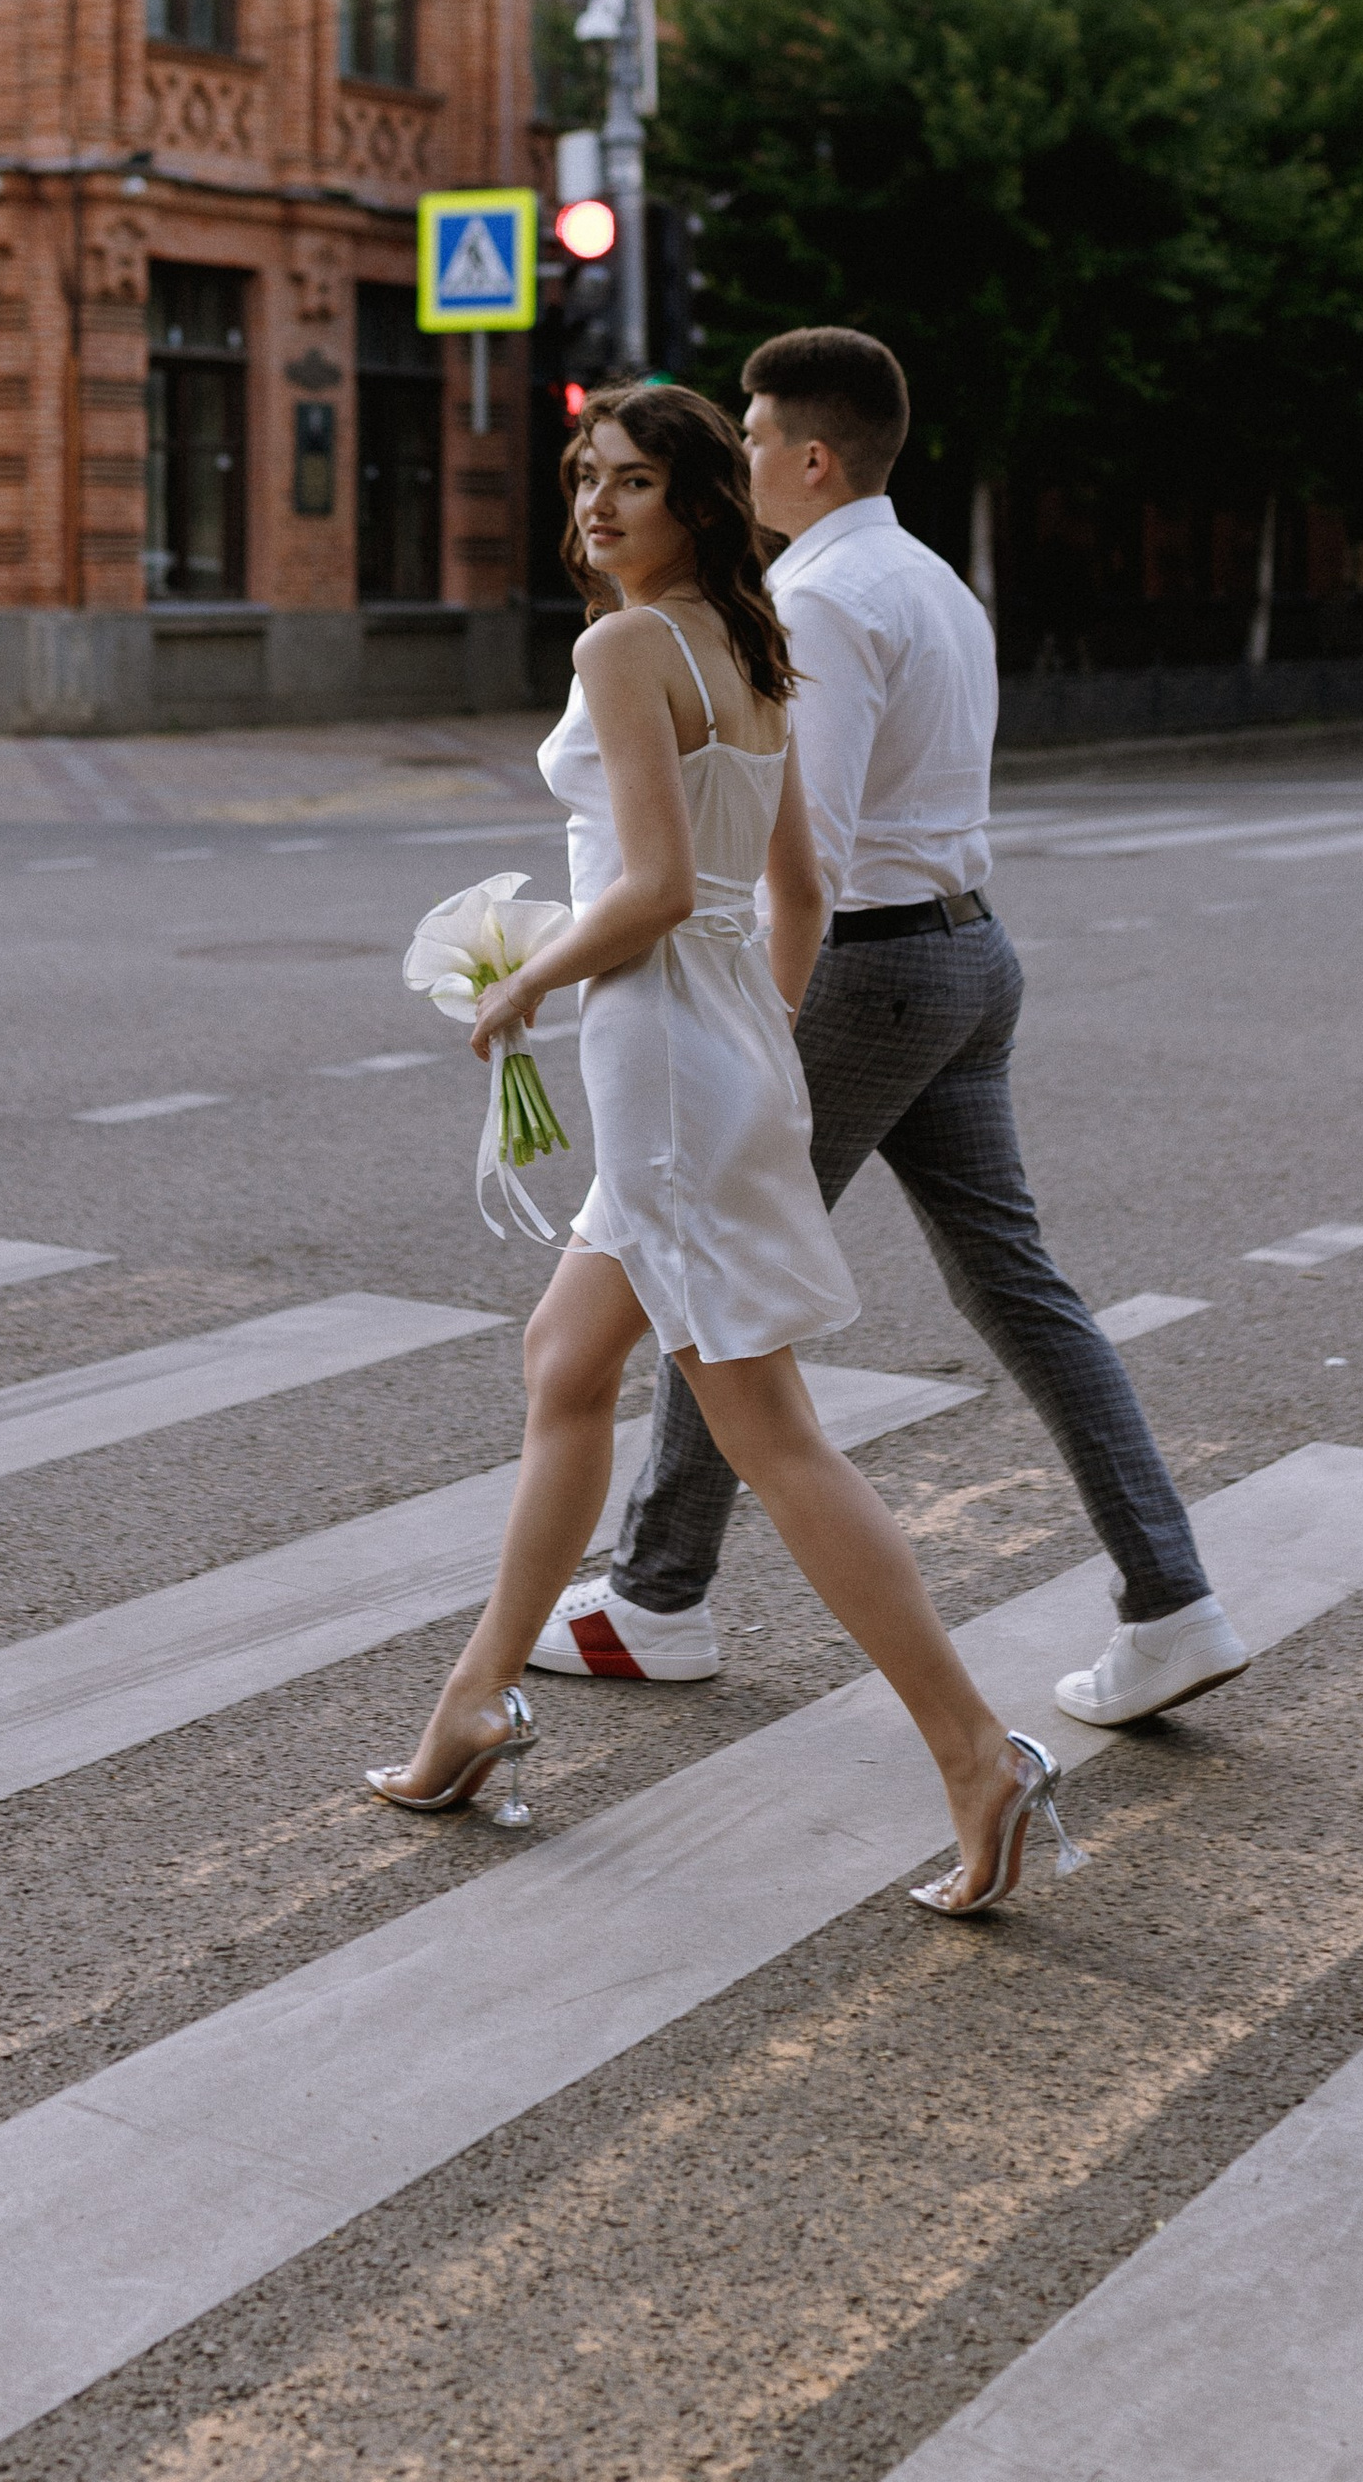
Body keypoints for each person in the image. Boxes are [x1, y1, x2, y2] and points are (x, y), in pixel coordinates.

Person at [367, 382, 1080, 1917]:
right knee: (567, 1365)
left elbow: (648, 886)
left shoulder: (624, 645)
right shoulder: (751, 650)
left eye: (632, 481)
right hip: (711, 1047)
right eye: (584, 478)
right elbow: (797, 893)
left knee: (770, 1431)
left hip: (662, 1060)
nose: (597, 506)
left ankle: (976, 1756)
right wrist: (739, 1036)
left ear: (699, 498)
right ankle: (474, 1703)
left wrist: (518, 989)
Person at [530, 328, 1248, 1732]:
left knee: (707, 1275)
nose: (729, 461)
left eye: (743, 439)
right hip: (968, 951)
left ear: (809, 457)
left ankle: (658, 1596)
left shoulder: (817, 602)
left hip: (860, 971)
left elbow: (807, 846)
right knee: (1014, 1289)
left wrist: (749, 1028)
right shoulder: (928, 578)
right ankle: (1173, 1600)